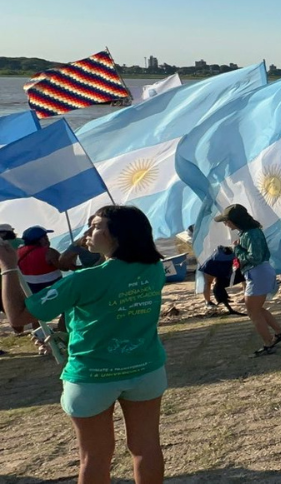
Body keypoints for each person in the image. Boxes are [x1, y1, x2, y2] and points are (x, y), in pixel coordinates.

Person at [1, 206, 166, 483]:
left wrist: (8, 269)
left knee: (94, 457)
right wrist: (86, 245)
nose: (88, 232)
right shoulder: (154, 269)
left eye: (96, 225)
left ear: (118, 235)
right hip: (146, 369)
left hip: (92, 377)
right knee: (146, 447)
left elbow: (17, 317)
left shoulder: (84, 280)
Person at [215, 204, 281, 357]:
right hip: (259, 272)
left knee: (252, 311)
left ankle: (268, 343)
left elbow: (255, 257)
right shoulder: (249, 232)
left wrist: (237, 250)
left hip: (258, 272)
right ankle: (279, 332)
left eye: (226, 221)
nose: (225, 224)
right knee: (256, 308)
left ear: (235, 220)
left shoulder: (250, 234)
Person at [17, 225, 68, 294]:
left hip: (34, 293)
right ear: (41, 239)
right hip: (55, 291)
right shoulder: (49, 252)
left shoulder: (17, 252)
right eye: (46, 237)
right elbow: (65, 267)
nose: (48, 239)